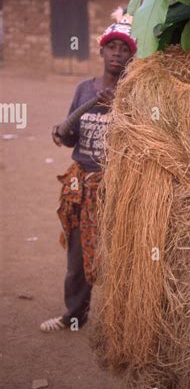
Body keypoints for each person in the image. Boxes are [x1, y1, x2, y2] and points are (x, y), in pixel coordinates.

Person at [39, 19, 136, 332]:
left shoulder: (133, 94)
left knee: (122, 252)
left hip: (117, 186)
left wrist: (119, 108)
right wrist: (61, 132)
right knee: (78, 256)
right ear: (102, 51)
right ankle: (75, 316)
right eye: (112, 48)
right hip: (82, 185)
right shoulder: (84, 89)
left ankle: (126, 322)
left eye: (124, 50)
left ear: (131, 58)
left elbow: (141, 141)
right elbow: (71, 137)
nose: (117, 55)